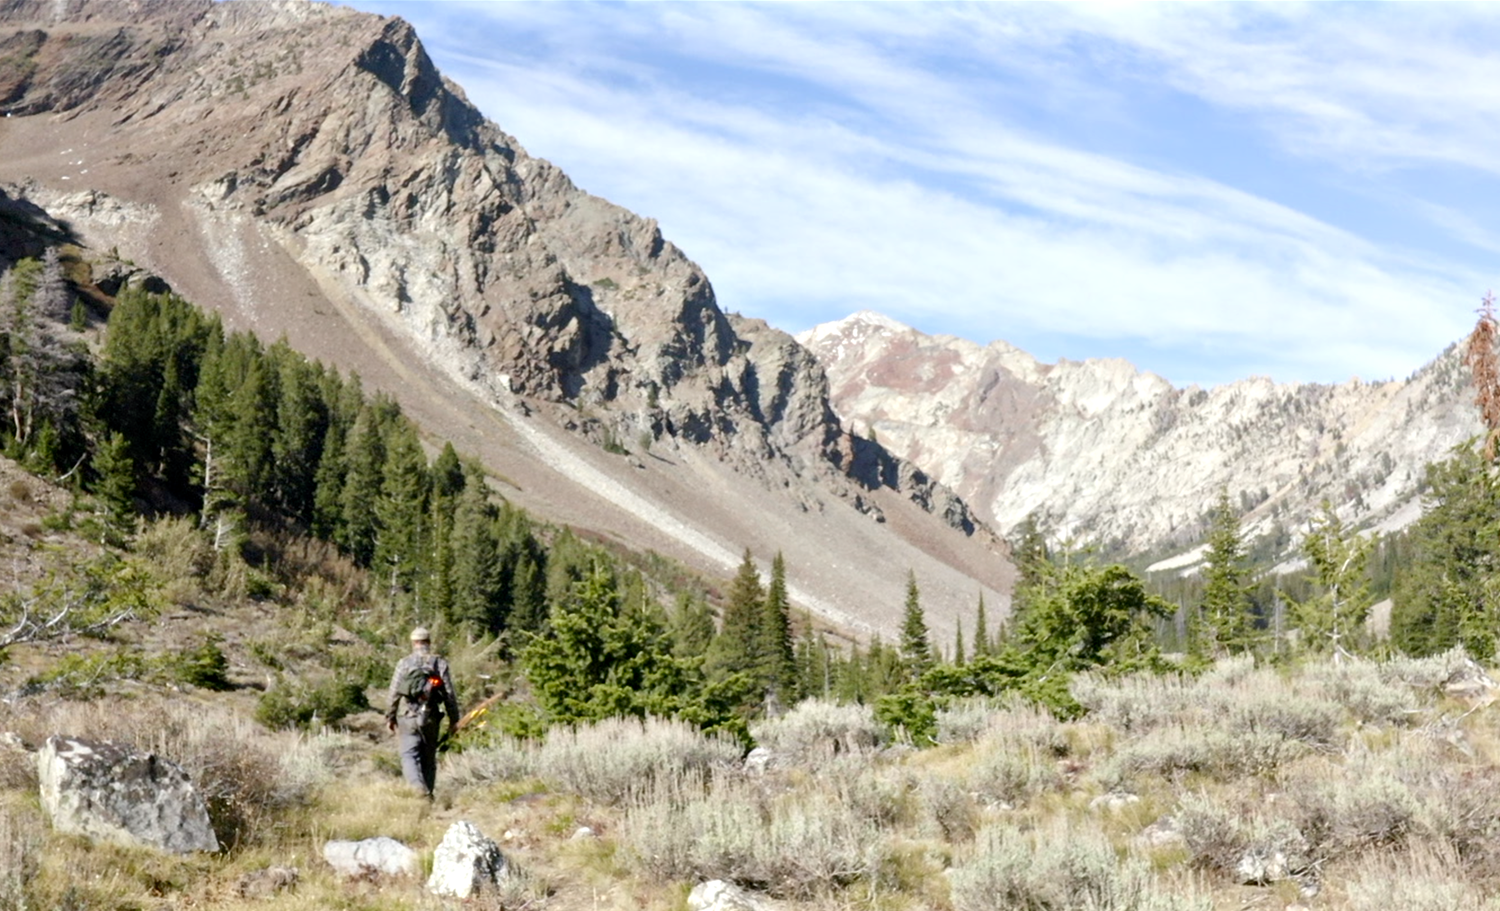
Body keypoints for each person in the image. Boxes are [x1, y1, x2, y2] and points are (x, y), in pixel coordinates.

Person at [385, 626, 459, 799]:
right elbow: (449, 694)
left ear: (413, 643)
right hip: (432, 717)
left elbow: (394, 693)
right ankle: (429, 797)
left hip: (408, 717)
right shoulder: (439, 663)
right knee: (429, 759)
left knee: (408, 755)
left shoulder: (404, 663)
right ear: (429, 643)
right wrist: (454, 720)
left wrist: (390, 716)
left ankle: (418, 787)